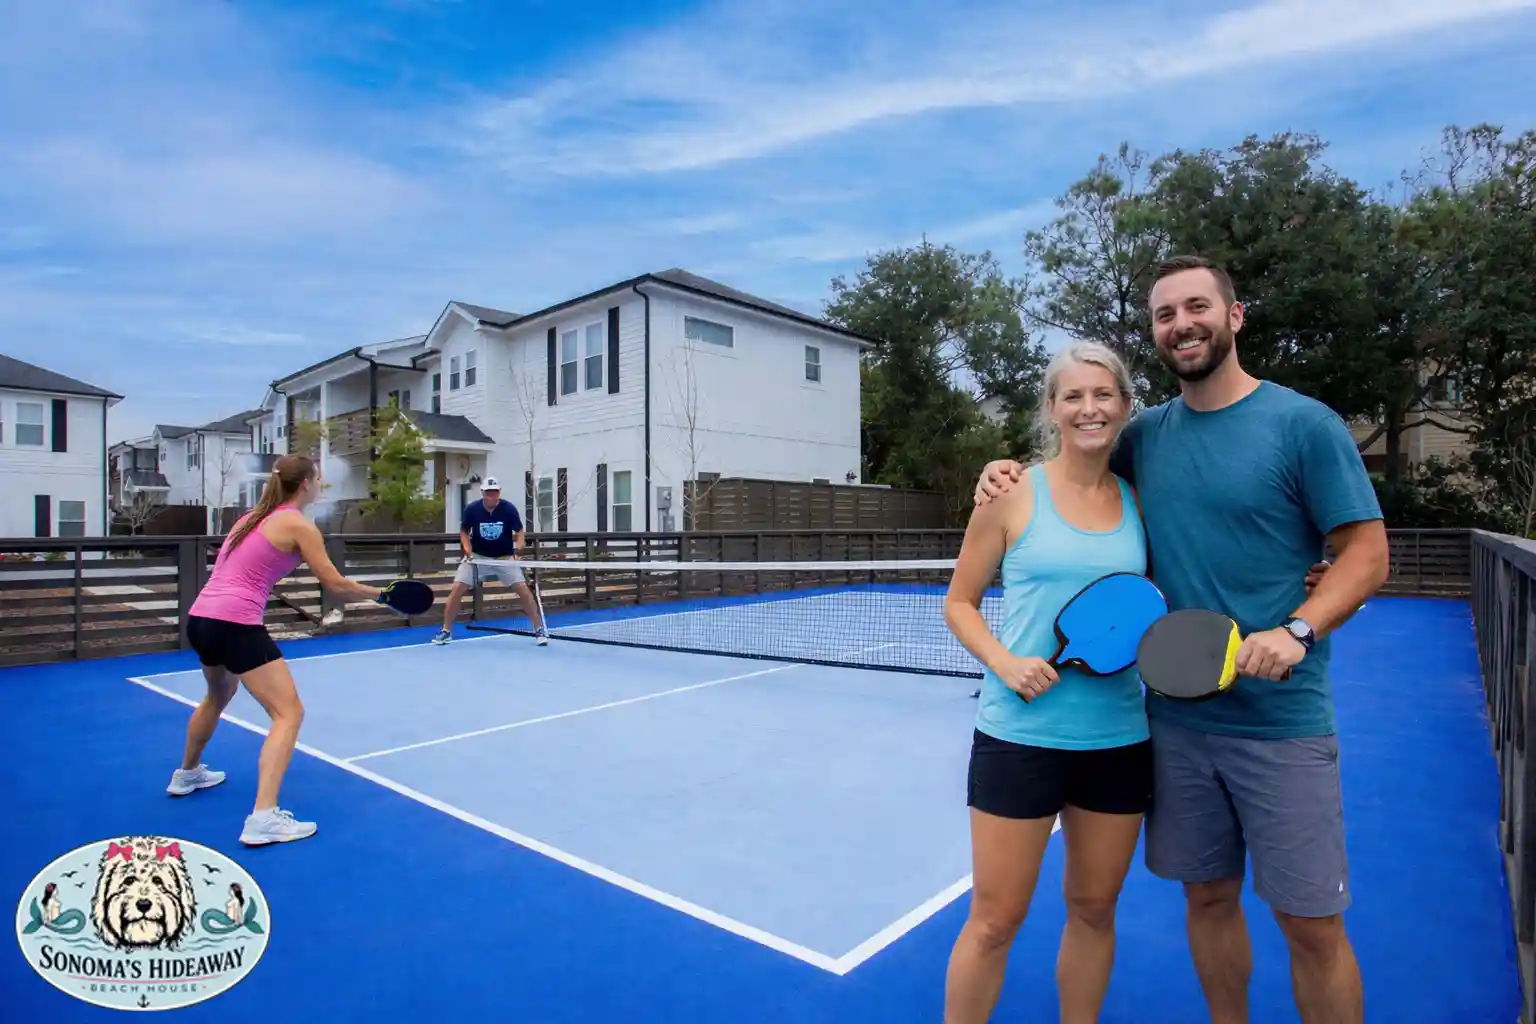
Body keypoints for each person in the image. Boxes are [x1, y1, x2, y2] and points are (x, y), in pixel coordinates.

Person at [973, 254, 1389, 1024]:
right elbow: (1073, 467)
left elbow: (1367, 552)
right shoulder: (1147, 438)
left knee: (1310, 926)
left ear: (1235, 316)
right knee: (1208, 897)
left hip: (1281, 722)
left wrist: (1300, 627)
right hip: (1175, 726)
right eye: (1165, 315)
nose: (1182, 325)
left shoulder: (1304, 426)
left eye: (1197, 307)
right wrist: (998, 476)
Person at [943, 339, 1162, 1024]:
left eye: (1103, 395)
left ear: (1125, 407)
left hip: (1119, 740)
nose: (1089, 408)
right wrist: (1004, 663)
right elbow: (960, 602)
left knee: (1095, 911)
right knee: (994, 920)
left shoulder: (1141, 499)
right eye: (1073, 396)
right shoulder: (1010, 494)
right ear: (1052, 409)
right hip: (1019, 741)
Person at [172, 454, 384, 846]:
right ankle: (264, 817)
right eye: (318, 479)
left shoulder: (250, 519)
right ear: (305, 483)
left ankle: (187, 774)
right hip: (235, 623)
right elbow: (333, 583)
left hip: (201, 619)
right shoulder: (298, 525)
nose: (320, 485)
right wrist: (382, 594)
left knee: (218, 695)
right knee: (289, 713)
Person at [432, 476, 547, 645]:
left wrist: (517, 551)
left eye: (495, 493)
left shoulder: (509, 509)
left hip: (504, 557)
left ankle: (538, 629)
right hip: (478, 558)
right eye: (488, 493)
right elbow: (464, 532)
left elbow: (520, 532)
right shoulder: (472, 509)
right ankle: (446, 631)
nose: (492, 496)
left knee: (523, 590)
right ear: (482, 493)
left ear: (499, 493)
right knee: (457, 588)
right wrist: (468, 550)